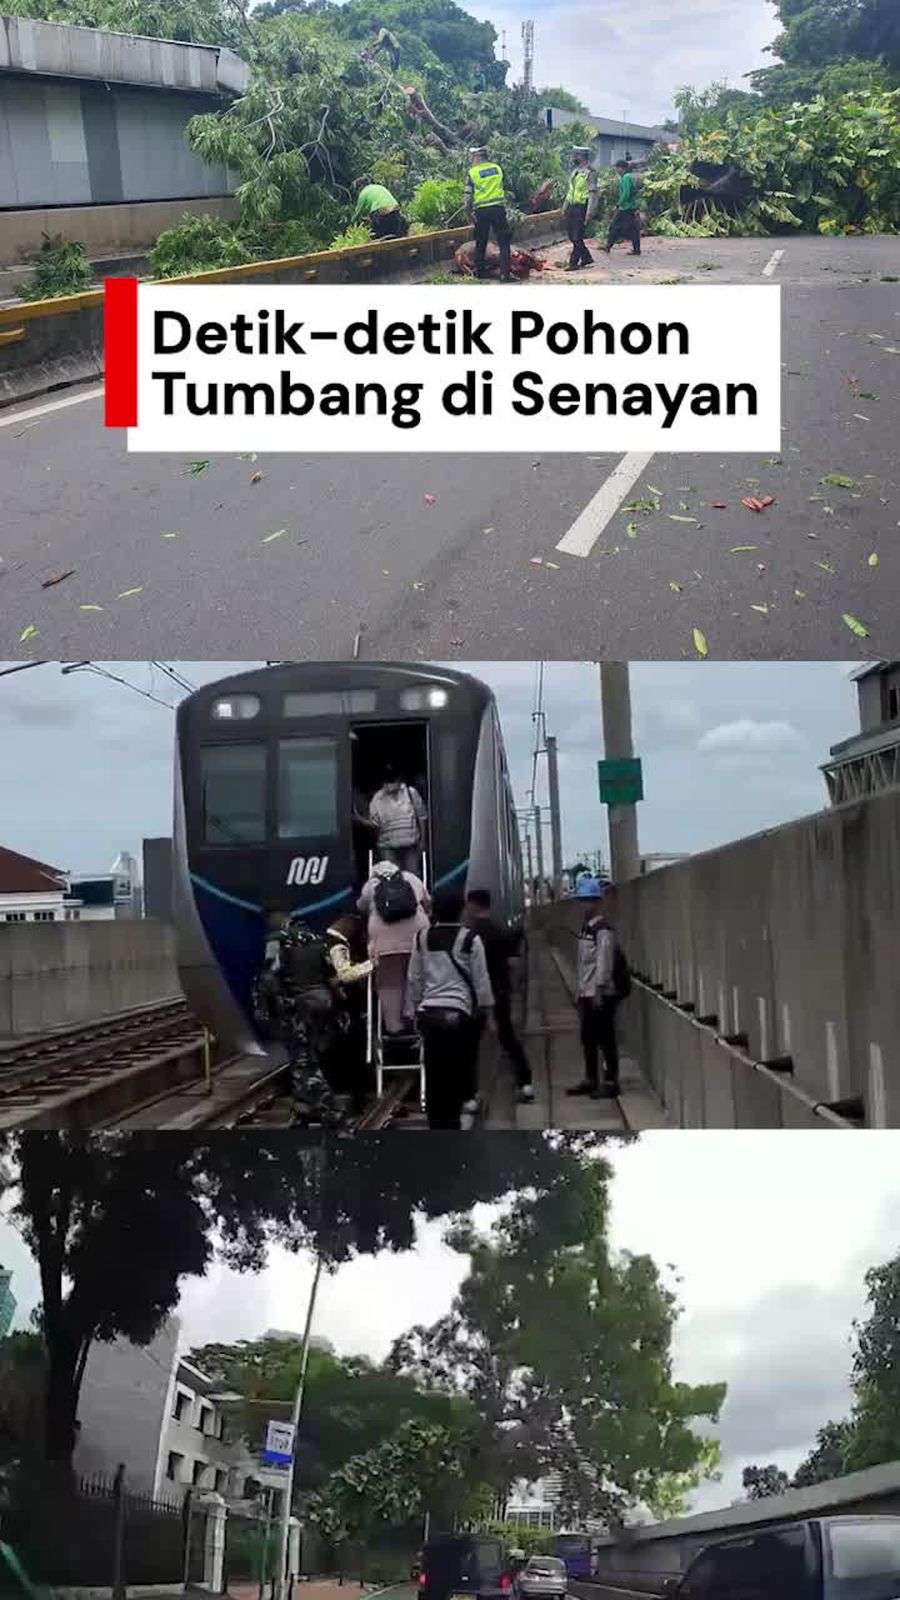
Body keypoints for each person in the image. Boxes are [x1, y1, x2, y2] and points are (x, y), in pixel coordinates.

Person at [405, 888, 495, 1129]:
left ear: (434, 910)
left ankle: (437, 1126)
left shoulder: (421, 938)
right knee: (456, 1071)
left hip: (429, 1014)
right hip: (459, 1015)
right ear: (462, 910)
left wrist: (414, 1009)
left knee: (435, 1074)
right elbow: (481, 980)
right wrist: (488, 1013)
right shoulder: (470, 939)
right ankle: (455, 1127)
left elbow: (415, 978)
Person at [464, 889, 535, 1104]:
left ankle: (471, 1094)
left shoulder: (469, 935)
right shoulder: (501, 931)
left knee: (471, 1045)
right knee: (509, 1038)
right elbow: (513, 964)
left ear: (473, 905)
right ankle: (526, 1083)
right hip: (500, 993)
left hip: (477, 995)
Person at [357, 860, 431, 1041]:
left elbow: (361, 906)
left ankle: (394, 1027)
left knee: (390, 984)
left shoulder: (372, 884)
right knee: (416, 978)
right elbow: (427, 901)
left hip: (385, 942)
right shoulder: (411, 878)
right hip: (417, 935)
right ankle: (415, 1019)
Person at [567, 898, 629, 1099]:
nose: (585, 905)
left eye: (589, 901)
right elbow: (583, 965)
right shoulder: (586, 928)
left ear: (597, 903)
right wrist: (580, 992)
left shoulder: (603, 929)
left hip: (600, 994)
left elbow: (604, 962)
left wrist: (599, 990)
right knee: (588, 1037)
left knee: (605, 1038)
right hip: (587, 993)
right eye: (582, 901)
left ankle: (611, 1082)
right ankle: (591, 1078)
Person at [465, 146, 513, 283]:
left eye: (473, 157)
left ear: (478, 157)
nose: (472, 160)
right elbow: (502, 187)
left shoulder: (472, 172)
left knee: (481, 241)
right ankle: (505, 275)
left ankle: (480, 273)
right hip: (498, 209)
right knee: (504, 241)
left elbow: (468, 197)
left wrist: (468, 213)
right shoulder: (497, 169)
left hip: (481, 211)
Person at [369, 766, 427, 872]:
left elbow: (422, 817)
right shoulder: (377, 798)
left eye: (391, 781)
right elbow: (375, 824)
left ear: (398, 781)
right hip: (388, 848)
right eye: (385, 782)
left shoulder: (411, 793)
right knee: (392, 878)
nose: (387, 785)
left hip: (410, 846)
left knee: (412, 877)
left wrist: (423, 841)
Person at [563, 147, 598, 271]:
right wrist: (565, 206)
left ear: (581, 156)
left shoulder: (590, 172)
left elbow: (592, 193)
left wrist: (589, 212)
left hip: (581, 207)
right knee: (572, 237)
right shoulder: (576, 171)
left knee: (577, 237)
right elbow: (570, 190)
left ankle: (573, 263)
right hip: (572, 207)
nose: (574, 158)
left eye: (576, 155)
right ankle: (586, 257)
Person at [602, 159, 642, 256]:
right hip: (630, 206)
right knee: (633, 229)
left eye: (617, 168)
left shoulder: (626, 178)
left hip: (625, 207)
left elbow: (626, 193)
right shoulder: (628, 177)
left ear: (621, 168)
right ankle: (636, 249)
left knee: (614, 226)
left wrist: (619, 204)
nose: (616, 170)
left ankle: (608, 246)